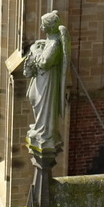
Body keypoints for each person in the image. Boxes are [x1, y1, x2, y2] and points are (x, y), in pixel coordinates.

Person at [23, 11, 71, 153]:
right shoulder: (50, 40)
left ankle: (45, 132)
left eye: (43, 25)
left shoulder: (55, 44)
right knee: (33, 98)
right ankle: (40, 127)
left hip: (47, 80)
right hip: (41, 78)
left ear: (50, 27)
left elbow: (44, 62)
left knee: (44, 105)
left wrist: (35, 50)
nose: (40, 27)